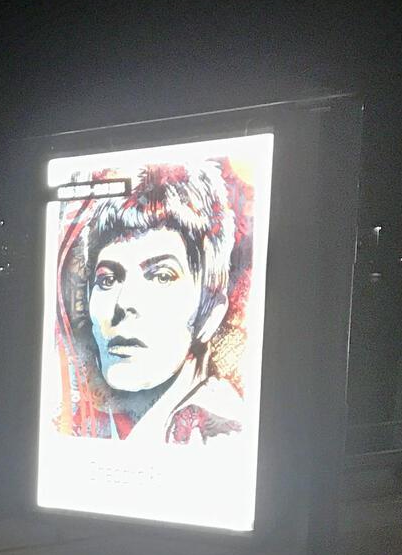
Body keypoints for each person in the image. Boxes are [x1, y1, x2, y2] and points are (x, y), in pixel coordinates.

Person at [52, 161, 254, 444]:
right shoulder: (95, 427)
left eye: (160, 276)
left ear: (210, 313)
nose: (124, 303)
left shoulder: (222, 437)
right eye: (108, 279)